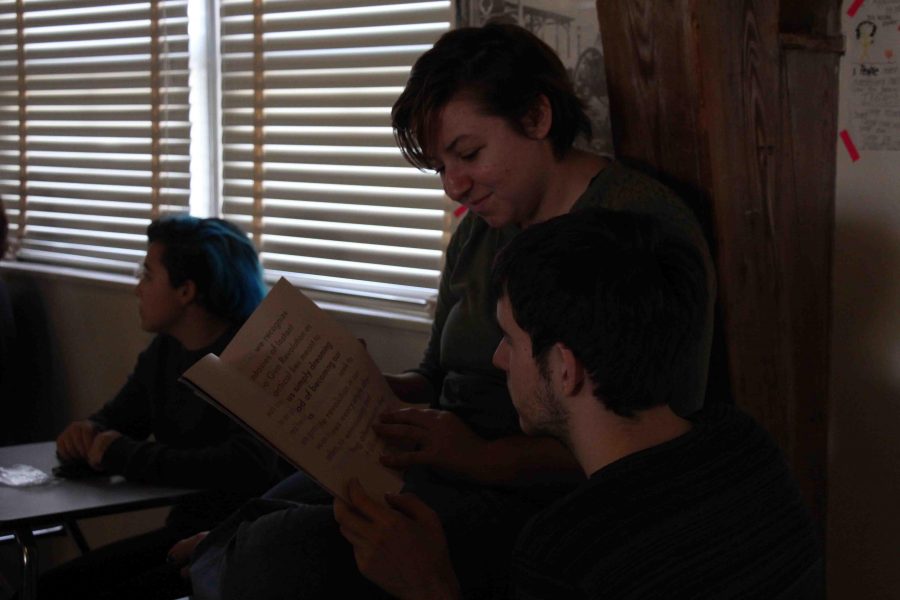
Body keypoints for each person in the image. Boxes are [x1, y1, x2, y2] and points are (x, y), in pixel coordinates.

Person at [181, 23, 716, 599]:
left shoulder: (632, 229)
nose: (454, 187)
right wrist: (361, 386)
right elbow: (436, 374)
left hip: (529, 496)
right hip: (439, 467)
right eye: (440, 166)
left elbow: (649, 442)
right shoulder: (484, 227)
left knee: (272, 552)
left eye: (469, 153)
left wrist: (480, 458)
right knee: (243, 527)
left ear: (537, 118)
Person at [334, 209, 823, 599]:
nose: (499, 358)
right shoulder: (744, 443)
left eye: (510, 338)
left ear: (566, 368)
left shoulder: (567, 550)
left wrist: (428, 587)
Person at [38, 216, 287, 600]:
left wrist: (123, 454)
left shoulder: (249, 359)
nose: (137, 289)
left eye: (148, 276)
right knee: (54, 586)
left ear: (186, 291)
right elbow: (119, 420)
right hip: (182, 533)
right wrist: (87, 430)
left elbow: (247, 463)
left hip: (235, 543)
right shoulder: (166, 351)